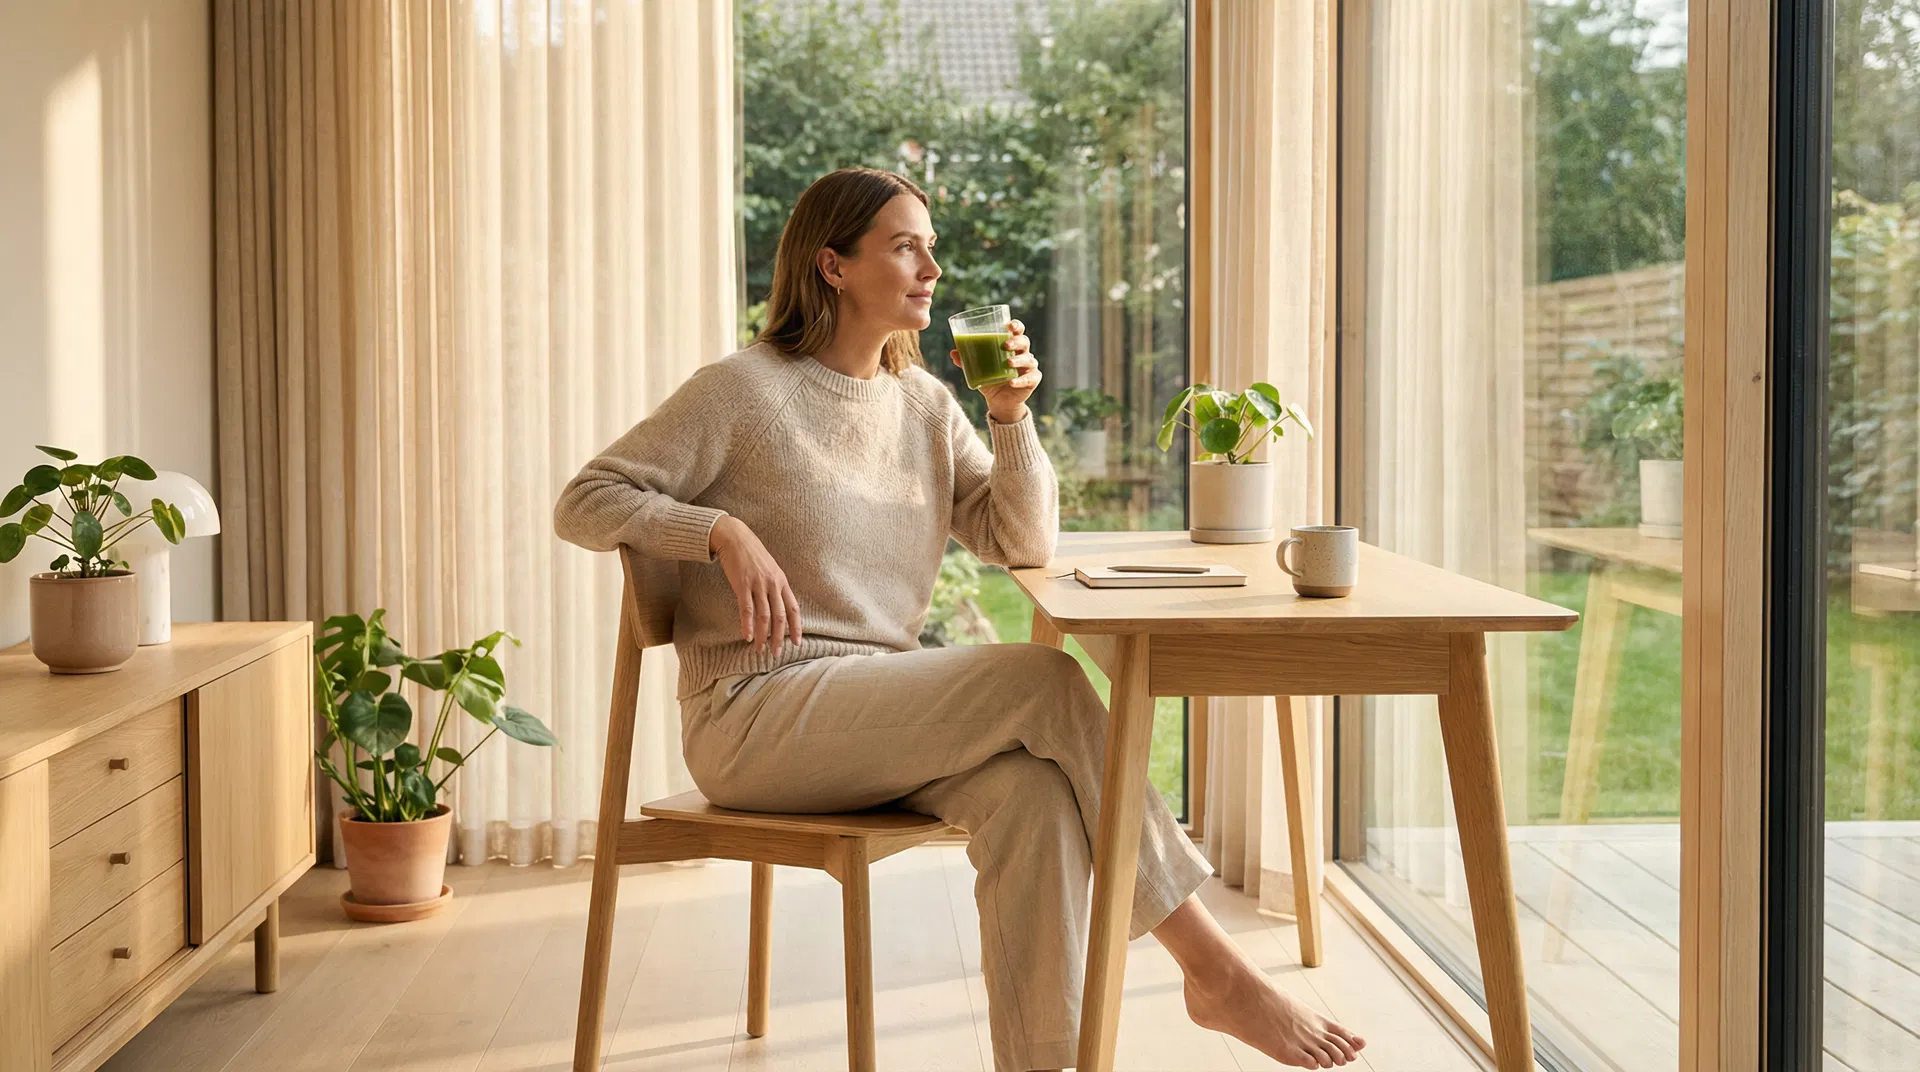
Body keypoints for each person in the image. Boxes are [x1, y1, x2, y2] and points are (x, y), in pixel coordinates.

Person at [553, 167, 1364, 1071]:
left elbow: (1021, 540)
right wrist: (715, 529)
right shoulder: (742, 391)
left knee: (1034, 797)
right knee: (1044, 678)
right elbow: (585, 497)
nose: (931, 266)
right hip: (756, 718)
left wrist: (1010, 416)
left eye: (930, 245)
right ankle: (1215, 970)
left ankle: (1043, 1064)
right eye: (905, 246)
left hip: (874, 719)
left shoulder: (925, 408)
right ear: (833, 266)